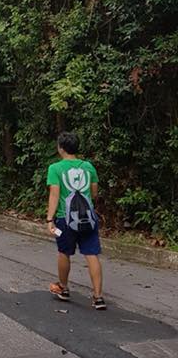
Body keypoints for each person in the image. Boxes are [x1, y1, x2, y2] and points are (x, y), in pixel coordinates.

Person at [46, 132, 105, 309]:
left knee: (64, 252)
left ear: (60, 148)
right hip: (88, 218)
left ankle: (63, 288)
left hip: (66, 219)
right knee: (91, 254)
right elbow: (94, 193)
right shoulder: (88, 167)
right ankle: (98, 297)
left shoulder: (55, 168)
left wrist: (50, 219)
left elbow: (54, 195)